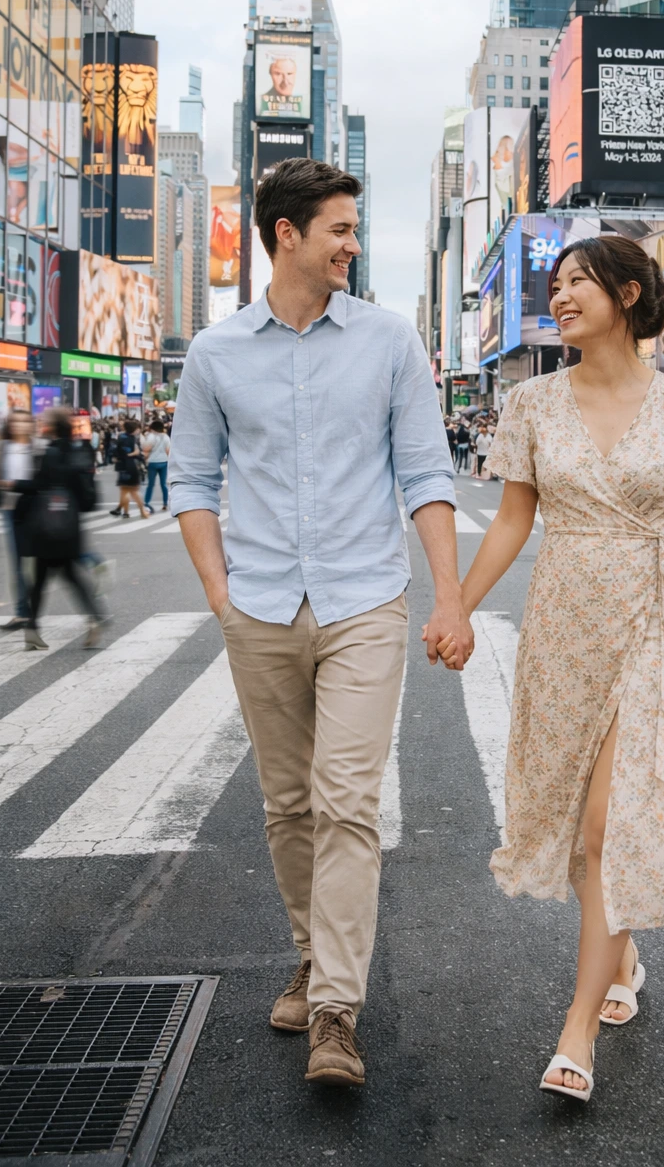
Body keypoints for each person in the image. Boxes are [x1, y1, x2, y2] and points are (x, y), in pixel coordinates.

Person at [169, 157, 471, 1089]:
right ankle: (310, 952)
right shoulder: (217, 355)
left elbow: (426, 475)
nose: (353, 244)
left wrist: (450, 596)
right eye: (339, 228)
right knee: (287, 804)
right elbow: (190, 481)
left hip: (363, 604)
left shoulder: (387, 341)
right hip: (258, 605)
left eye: (355, 228)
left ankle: (336, 1009)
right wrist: (221, 598)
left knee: (346, 801)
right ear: (286, 234)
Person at [453, 235, 664, 1103]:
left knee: (606, 828)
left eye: (578, 281)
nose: (561, 295)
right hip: (565, 621)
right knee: (575, 808)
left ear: (626, 292)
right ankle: (624, 954)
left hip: (654, 617)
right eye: (555, 284)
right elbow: (510, 521)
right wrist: (456, 604)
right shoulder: (532, 403)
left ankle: (576, 1030)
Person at [23, 407, 103, 651]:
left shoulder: (51, 452)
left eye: (44, 421)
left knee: (40, 580)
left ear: (51, 426)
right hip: (69, 524)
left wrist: (12, 484)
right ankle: (93, 620)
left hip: (49, 524)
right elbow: (86, 494)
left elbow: (39, 484)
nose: (40, 424)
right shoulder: (78, 449)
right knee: (68, 576)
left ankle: (33, 629)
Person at [0, 410, 37, 632]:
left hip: (34, 508)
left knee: (49, 558)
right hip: (9, 508)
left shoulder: (38, 446)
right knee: (16, 563)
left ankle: (90, 564)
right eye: (15, 421)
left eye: (24, 421)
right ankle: (21, 613)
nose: (19, 425)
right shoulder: (4, 445)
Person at [111, 419, 150, 519]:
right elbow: (127, 454)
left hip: (122, 466)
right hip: (130, 466)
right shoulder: (130, 439)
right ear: (134, 429)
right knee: (134, 490)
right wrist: (135, 454)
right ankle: (141, 511)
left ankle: (122, 510)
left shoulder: (121, 437)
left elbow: (116, 452)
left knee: (125, 490)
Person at [142, 417, 171, 510]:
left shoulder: (151, 436)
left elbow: (146, 449)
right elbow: (168, 451)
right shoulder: (166, 437)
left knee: (151, 484)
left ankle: (146, 502)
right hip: (163, 462)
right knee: (163, 484)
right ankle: (165, 503)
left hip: (153, 462)